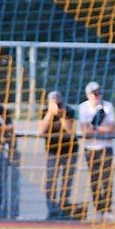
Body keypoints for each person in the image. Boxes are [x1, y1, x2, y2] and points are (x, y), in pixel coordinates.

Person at [78, 81, 115, 222]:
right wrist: (99, 129)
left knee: (107, 180)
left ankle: (108, 209)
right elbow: (85, 131)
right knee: (94, 180)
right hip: (90, 149)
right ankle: (98, 209)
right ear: (89, 95)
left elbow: (112, 129)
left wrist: (94, 128)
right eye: (94, 94)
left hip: (105, 147)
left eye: (99, 93)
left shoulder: (107, 106)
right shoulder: (83, 107)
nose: (97, 96)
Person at [38, 90, 79, 219]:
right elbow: (41, 130)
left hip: (70, 151)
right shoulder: (45, 111)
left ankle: (64, 207)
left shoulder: (69, 111)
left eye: (58, 101)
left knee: (67, 181)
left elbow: (69, 130)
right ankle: (52, 208)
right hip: (52, 151)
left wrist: (61, 115)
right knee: (51, 181)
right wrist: (50, 113)